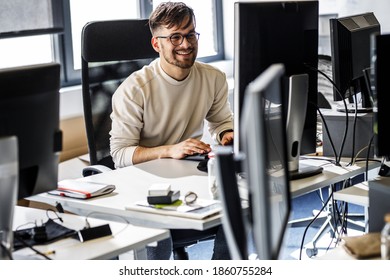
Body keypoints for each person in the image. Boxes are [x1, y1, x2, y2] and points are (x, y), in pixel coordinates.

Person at [109, 2, 233, 260]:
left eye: (190, 34)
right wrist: (169, 150)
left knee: (239, 206)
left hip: (191, 178)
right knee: (159, 227)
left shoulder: (213, 78)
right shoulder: (135, 89)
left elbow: (221, 121)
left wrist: (227, 135)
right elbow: (120, 154)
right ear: (157, 44)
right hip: (144, 186)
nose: (186, 44)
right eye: (175, 37)